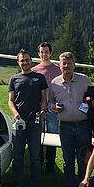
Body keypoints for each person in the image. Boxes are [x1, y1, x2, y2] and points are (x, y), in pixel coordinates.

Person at [48, 51, 94, 187]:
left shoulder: (84, 80)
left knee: (83, 158)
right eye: (63, 64)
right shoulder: (54, 83)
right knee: (68, 160)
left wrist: (91, 101)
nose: (66, 66)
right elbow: (49, 102)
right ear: (59, 66)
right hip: (65, 126)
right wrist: (54, 107)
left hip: (82, 125)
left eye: (69, 63)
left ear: (74, 65)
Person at [8, 49, 48, 187]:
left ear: (31, 61)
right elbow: (11, 101)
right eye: (22, 60)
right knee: (17, 155)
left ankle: (35, 186)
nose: (25, 62)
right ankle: (17, 185)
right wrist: (16, 114)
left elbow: (44, 98)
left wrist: (43, 110)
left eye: (27, 60)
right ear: (18, 63)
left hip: (35, 122)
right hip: (20, 123)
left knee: (35, 156)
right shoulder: (14, 79)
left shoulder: (39, 78)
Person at [32, 42, 62, 173]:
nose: (44, 54)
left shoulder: (58, 69)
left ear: (50, 53)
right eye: (42, 52)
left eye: (46, 51)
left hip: (53, 109)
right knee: (37, 135)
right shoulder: (34, 70)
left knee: (53, 136)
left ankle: (50, 163)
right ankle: (39, 162)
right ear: (39, 54)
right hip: (39, 108)